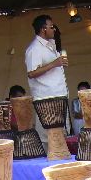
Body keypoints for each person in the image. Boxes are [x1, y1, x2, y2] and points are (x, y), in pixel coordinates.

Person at [25, 14, 69, 150]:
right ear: (43, 29)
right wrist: (54, 63)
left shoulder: (50, 45)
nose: (54, 29)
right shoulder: (34, 49)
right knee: (49, 137)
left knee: (61, 134)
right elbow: (31, 73)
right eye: (51, 27)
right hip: (46, 100)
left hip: (58, 97)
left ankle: (60, 157)